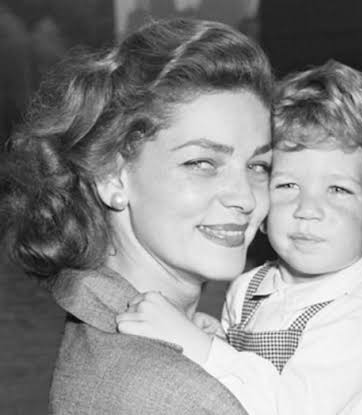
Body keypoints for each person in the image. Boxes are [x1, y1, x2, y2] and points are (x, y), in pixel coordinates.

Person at [116, 60, 362, 415]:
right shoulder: (248, 288)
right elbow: (237, 388)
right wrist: (218, 340)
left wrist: (198, 346)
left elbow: (290, 407)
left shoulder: (361, 315)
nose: (307, 209)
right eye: (288, 185)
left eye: (338, 190)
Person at [0, 18, 274, 414]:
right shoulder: (183, 396)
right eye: (202, 163)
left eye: (259, 166)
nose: (245, 197)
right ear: (112, 176)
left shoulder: (102, 324)